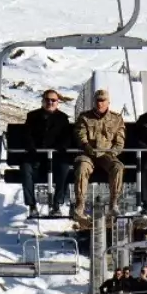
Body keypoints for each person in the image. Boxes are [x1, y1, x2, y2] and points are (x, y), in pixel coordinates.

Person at [73, 89, 126, 221]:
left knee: (118, 167)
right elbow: (80, 135)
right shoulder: (85, 117)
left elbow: (120, 141)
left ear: (108, 102)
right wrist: (87, 146)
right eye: (97, 100)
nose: (100, 104)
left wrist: (113, 152)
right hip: (89, 153)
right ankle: (80, 204)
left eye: (103, 101)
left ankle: (113, 204)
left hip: (106, 154)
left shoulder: (116, 119)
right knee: (82, 166)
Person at [21, 89, 72, 217]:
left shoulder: (63, 118)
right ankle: (32, 205)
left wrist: (60, 147)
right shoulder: (33, 117)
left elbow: (67, 137)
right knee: (26, 167)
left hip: (55, 158)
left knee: (64, 168)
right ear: (43, 101)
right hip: (37, 157)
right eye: (47, 100)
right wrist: (32, 148)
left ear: (57, 102)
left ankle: (57, 204)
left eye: (53, 100)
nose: (50, 102)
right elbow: (27, 134)